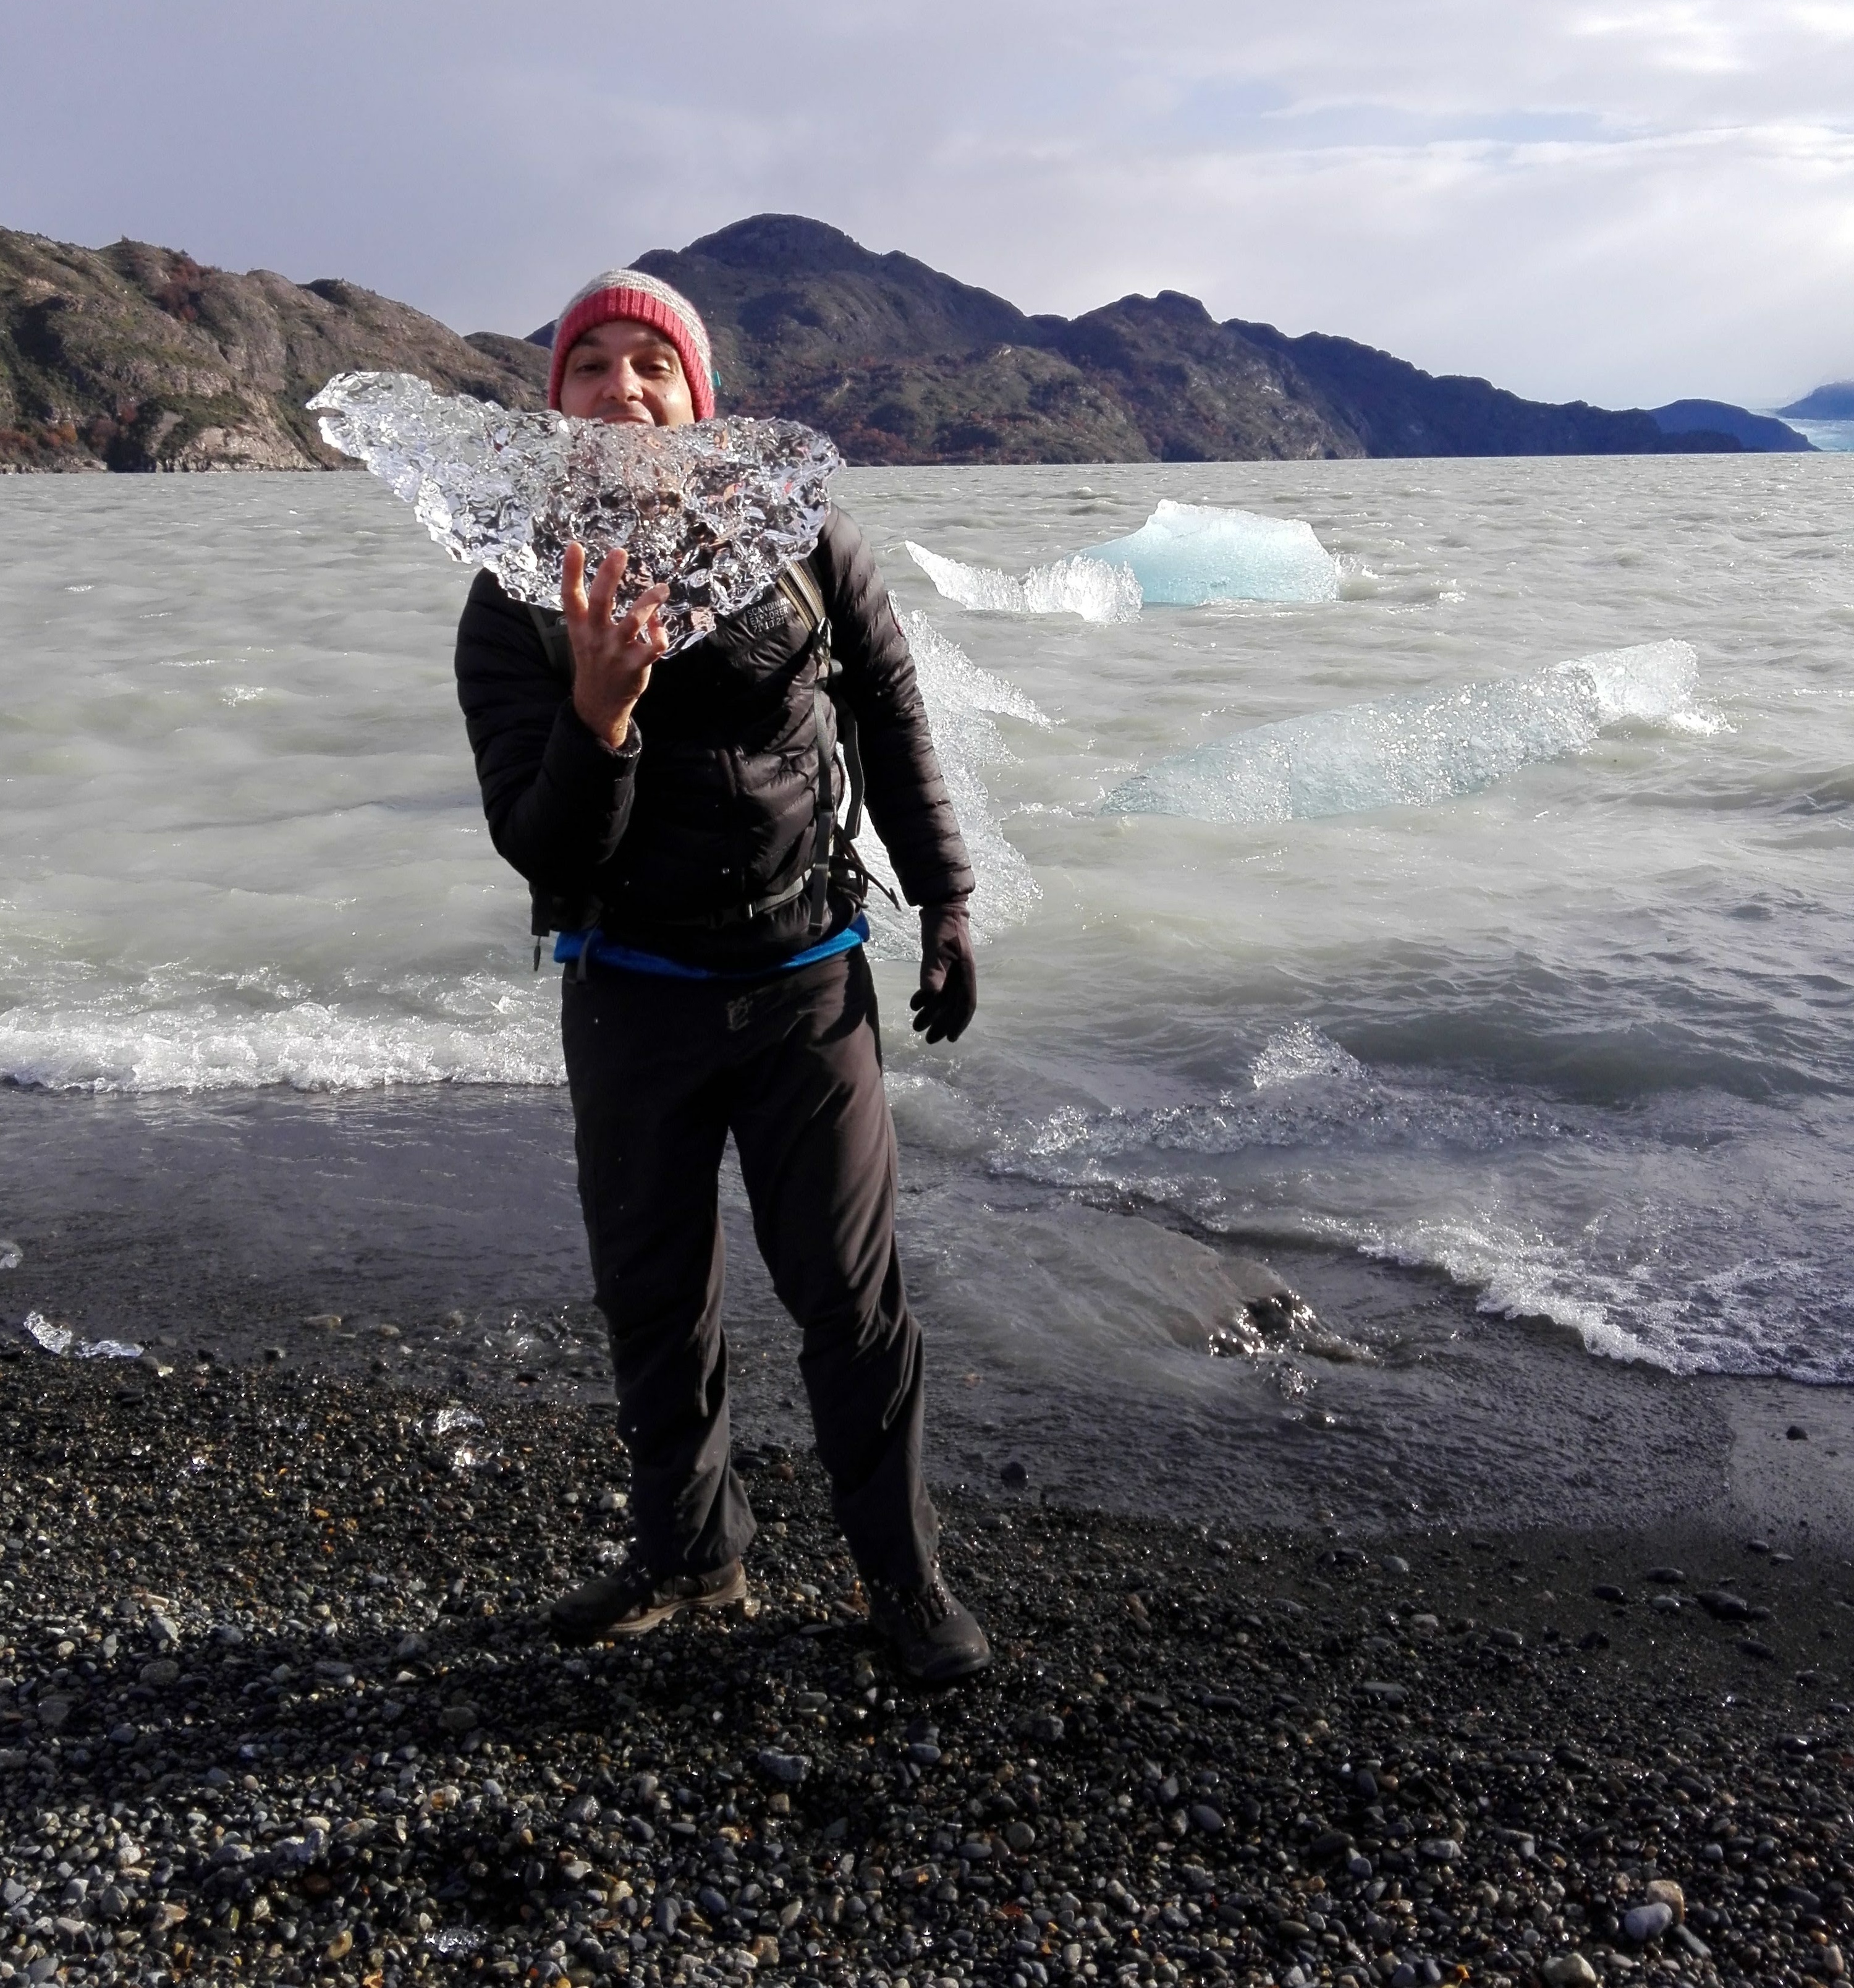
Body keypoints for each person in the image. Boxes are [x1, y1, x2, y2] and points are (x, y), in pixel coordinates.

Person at [453, 268, 991, 1682]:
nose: (623, 388)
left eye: (653, 366)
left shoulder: (802, 536)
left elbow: (887, 705)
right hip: (631, 987)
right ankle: (693, 1557)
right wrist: (600, 710)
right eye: (591, 367)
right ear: (554, 403)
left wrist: (944, 899)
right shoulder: (514, 597)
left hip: (807, 980)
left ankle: (903, 1580)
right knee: (655, 1295)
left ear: (700, 396)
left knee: (850, 1297)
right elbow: (542, 842)